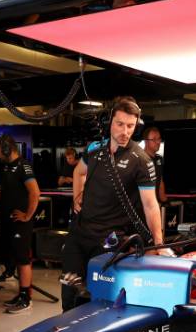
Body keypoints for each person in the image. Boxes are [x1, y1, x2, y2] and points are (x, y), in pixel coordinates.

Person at [63, 96, 164, 310]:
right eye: (120, 124)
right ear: (109, 122)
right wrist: (77, 196)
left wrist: (157, 243)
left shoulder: (141, 160)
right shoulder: (94, 149)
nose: (125, 131)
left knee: (98, 301)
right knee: (69, 297)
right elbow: (79, 171)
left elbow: (150, 204)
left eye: (130, 126)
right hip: (79, 234)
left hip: (109, 240)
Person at [0, 135, 41, 314]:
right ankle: (20, 294)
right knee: (14, 256)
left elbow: (35, 192)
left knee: (23, 259)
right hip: (8, 221)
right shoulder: (6, 167)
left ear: (7, 149)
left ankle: (25, 298)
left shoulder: (24, 166)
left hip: (20, 223)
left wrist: (27, 216)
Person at [142, 126, 168, 203]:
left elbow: (160, 181)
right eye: (154, 139)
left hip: (155, 204)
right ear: (146, 141)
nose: (158, 142)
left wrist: (164, 200)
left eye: (159, 139)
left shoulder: (159, 159)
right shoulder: (139, 159)